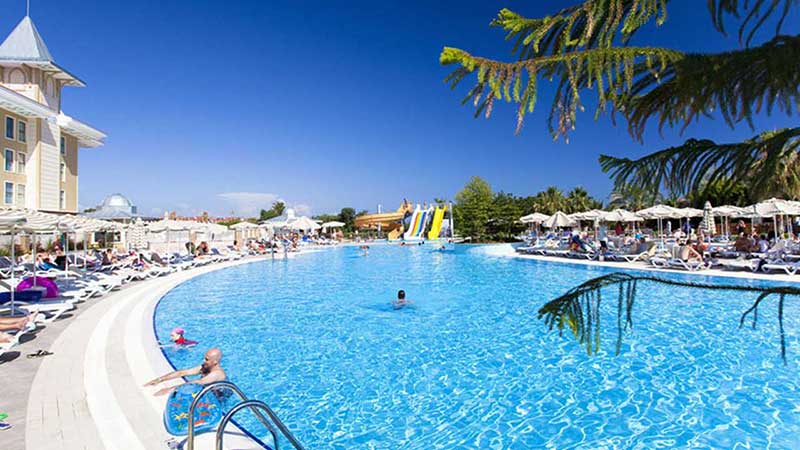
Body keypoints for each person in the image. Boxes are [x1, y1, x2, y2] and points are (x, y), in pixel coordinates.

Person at [144, 348, 226, 396]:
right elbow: (183, 373)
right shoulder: (205, 367)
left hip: (218, 396)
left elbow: (197, 382)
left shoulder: (217, 374)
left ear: (215, 362)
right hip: (207, 391)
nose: (203, 361)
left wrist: (170, 389)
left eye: (206, 359)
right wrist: (159, 380)